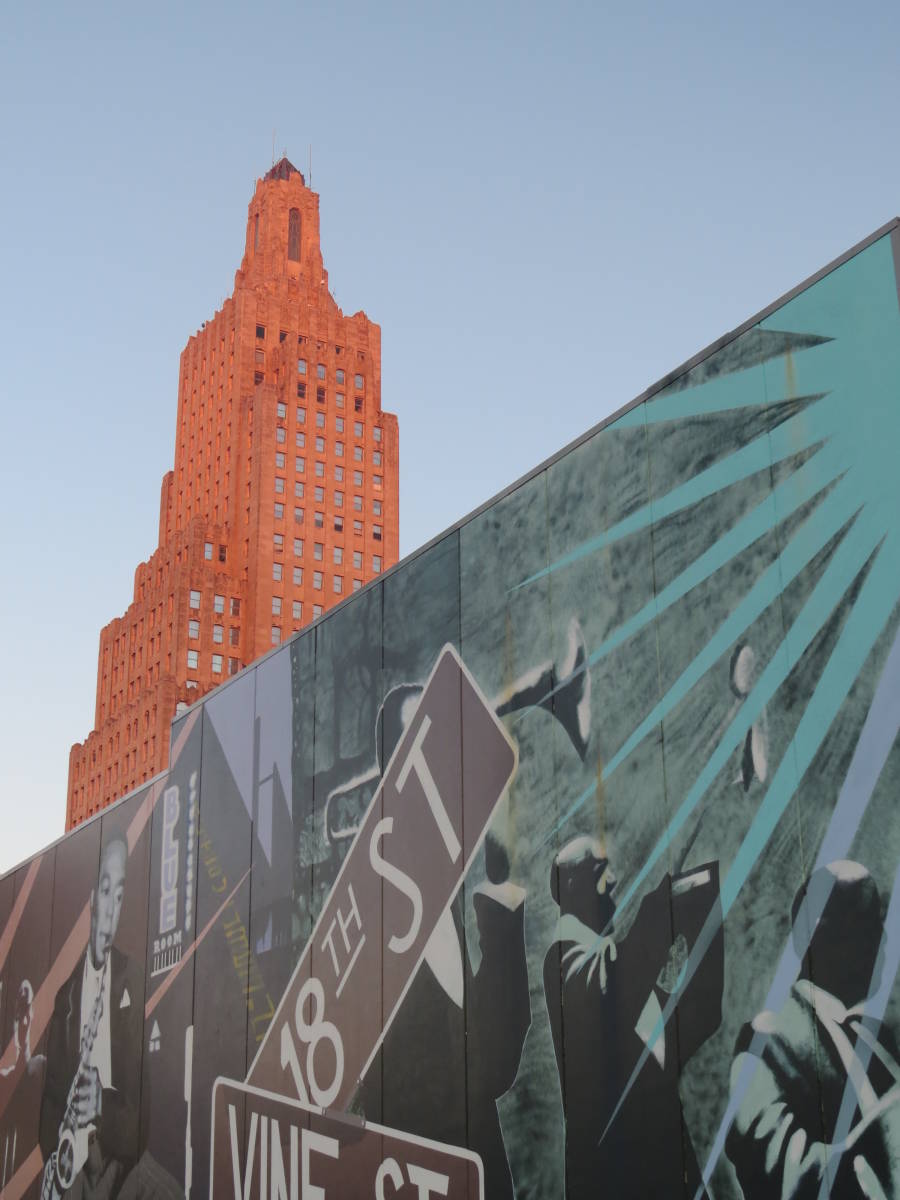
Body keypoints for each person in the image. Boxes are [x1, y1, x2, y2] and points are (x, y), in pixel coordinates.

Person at [543, 836, 724, 1199]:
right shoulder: (564, 963)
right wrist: (660, 909)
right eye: (600, 870)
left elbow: (698, 1018)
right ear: (573, 886)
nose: (613, 880)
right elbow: (611, 986)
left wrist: (702, 917)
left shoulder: (613, 967)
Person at [726, 860, 900, 1199]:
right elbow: (782, 1176)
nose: (883, 940)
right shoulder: (765, 1044)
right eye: (867, 924)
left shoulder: (879, 1041)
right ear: (816, 938)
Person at [40, 836, 142, 1200]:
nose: (111, 910)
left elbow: (143, 1117)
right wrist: (56, 1159)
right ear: (92, 900)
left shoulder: (135, 982)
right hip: (73, 1170)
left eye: (120, 896)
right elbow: (50, 1103)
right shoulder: (65, 997)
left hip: (118, 1163)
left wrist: (102, 1105)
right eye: (106, 890)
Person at [0, 979, 46, 1187]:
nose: (23, 1020)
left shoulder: (40, 1067)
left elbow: (27, 1072)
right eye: (19, 1011)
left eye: (27, 1009)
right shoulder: (5, 1078)